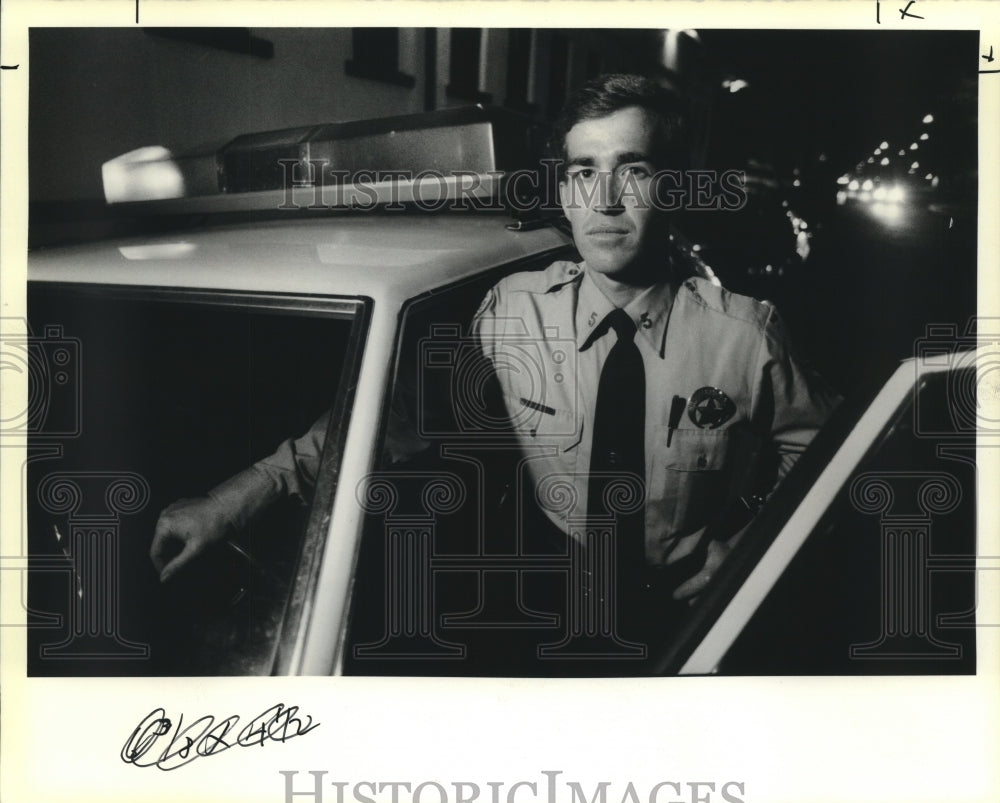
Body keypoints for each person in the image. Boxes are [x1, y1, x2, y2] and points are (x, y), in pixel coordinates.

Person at [151, 74, 839, 637]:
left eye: (633, 169)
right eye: (583, 172)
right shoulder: (512, 313)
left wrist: (752, 535)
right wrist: (235, 497)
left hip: (698, 615)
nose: (604, 198)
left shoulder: (746, 336)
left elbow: (819, 453)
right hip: (556, 610)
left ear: (673, 187)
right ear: (564, 193)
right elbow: (390, 418)